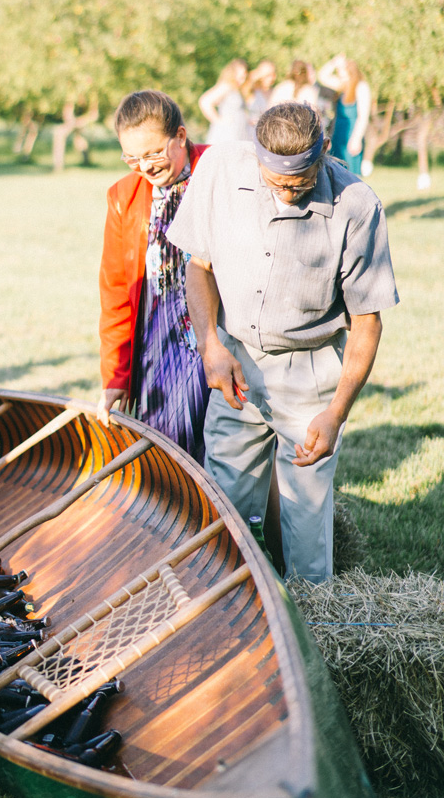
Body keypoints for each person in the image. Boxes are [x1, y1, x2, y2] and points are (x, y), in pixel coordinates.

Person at [168, 102, 398, 583]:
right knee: (224, 507)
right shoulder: (217, 170)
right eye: (278, 182)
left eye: (301, 181)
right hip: (235, 363)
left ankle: (313, 628)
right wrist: (211, 344)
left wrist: (336, 413)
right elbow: (199, 265)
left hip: (309, 372)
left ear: (324, 154)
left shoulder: (358, 206)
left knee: (306, 522)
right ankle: (229, 607)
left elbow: (367, 321)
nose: (289, 194)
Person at [97, 90, 209, 461]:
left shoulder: (219, 170)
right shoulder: (123, 197)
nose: (144, 167)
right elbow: (116, 293)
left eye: (152, 154)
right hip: (158, 340)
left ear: (180, 136)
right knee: (166, 450)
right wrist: (115, 377)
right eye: (132, 158)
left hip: (219, 329)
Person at [318, 55, 372, 175]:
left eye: (343, 73)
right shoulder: (342, 86)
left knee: (351, 171)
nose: (340, 77)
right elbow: (322, 76)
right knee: (336, 169)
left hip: (352, 131)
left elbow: (363, 116)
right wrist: (334, 62)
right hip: (338, 130)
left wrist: (356, 138)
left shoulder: (361, 87)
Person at [198, 59, 250, 143]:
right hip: (228, 134)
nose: (243, 80)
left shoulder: (237, 89)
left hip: (238, 133)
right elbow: (205, 101)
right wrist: (218, 120)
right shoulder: (226, 86)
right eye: (240, 76)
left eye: (244, 76)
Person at [243, 60, 277, 124]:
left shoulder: (275, 92)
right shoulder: (252, 90)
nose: (272, 78)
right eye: (268, 75)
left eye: (273, 74)